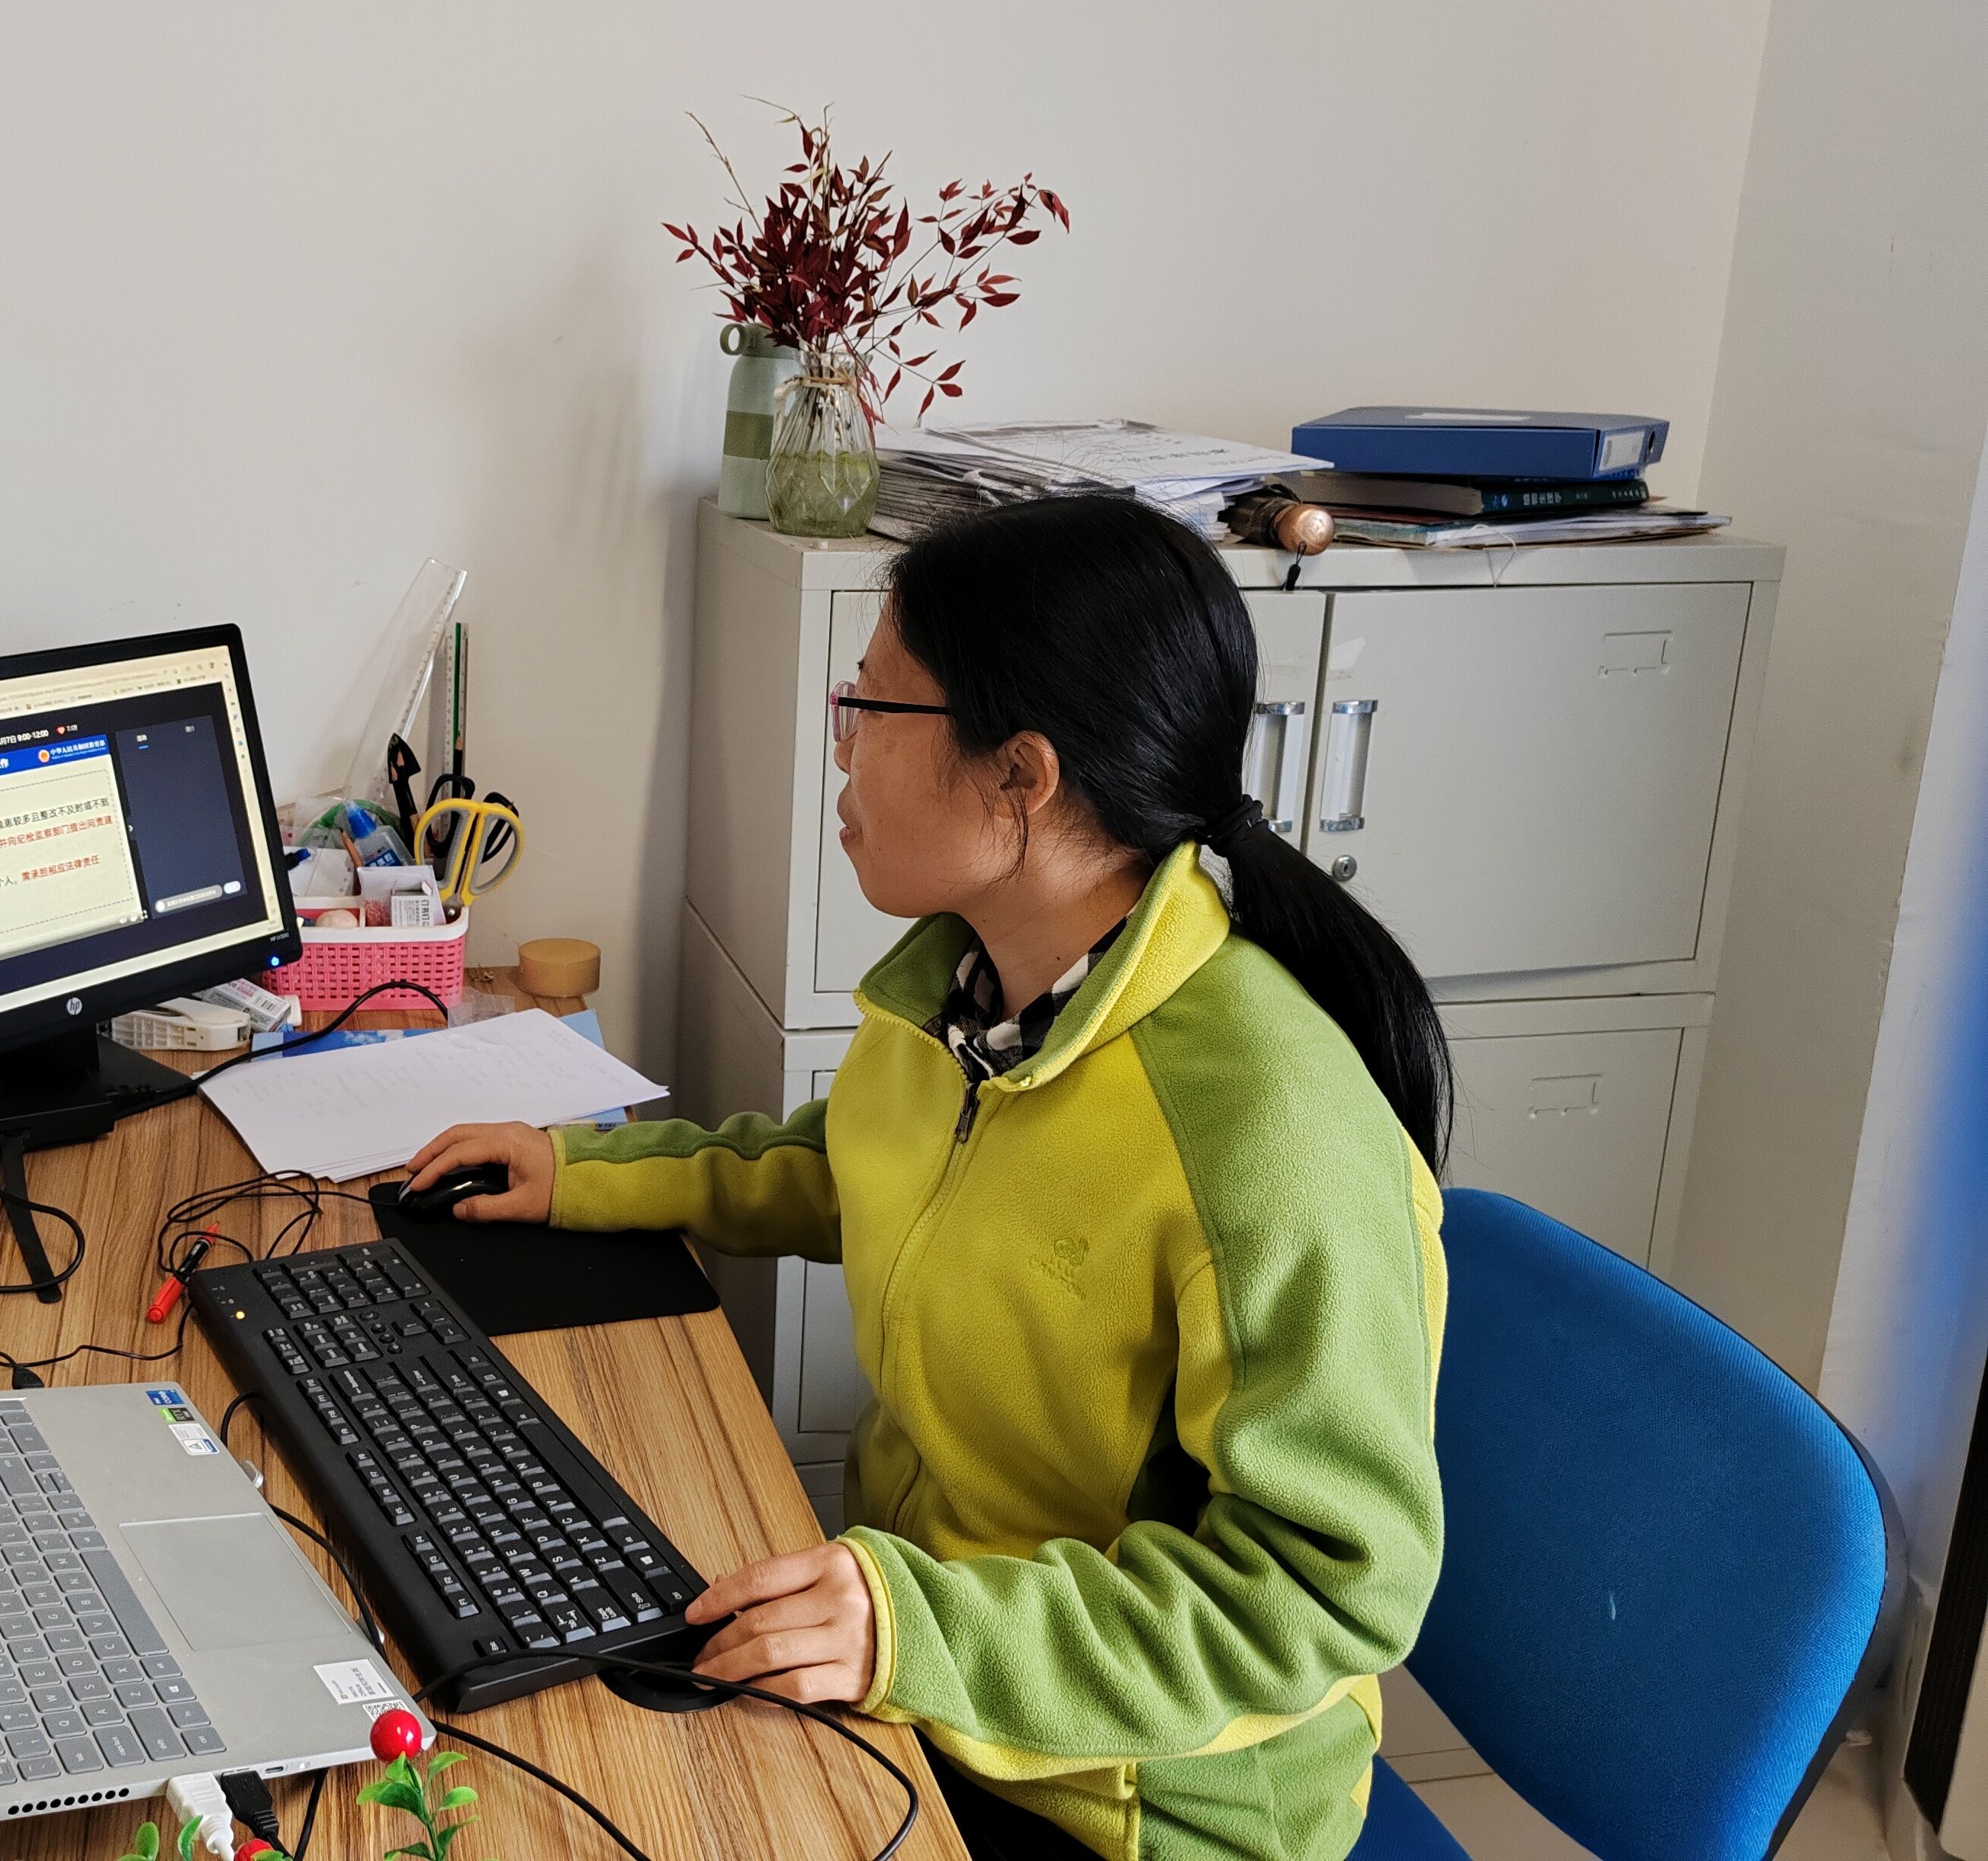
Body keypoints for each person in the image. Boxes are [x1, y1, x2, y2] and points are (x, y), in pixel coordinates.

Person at [403, 496, 1449, 1861]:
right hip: (923, 1665)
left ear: (1022, 776)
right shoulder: (973, 985)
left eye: (870, 709)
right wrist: (583, 1174)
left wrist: (915, 1631)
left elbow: (1323, 1594)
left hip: (1130, 1798)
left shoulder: (1266, 1138)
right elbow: (860, 1168)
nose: (839, 751)